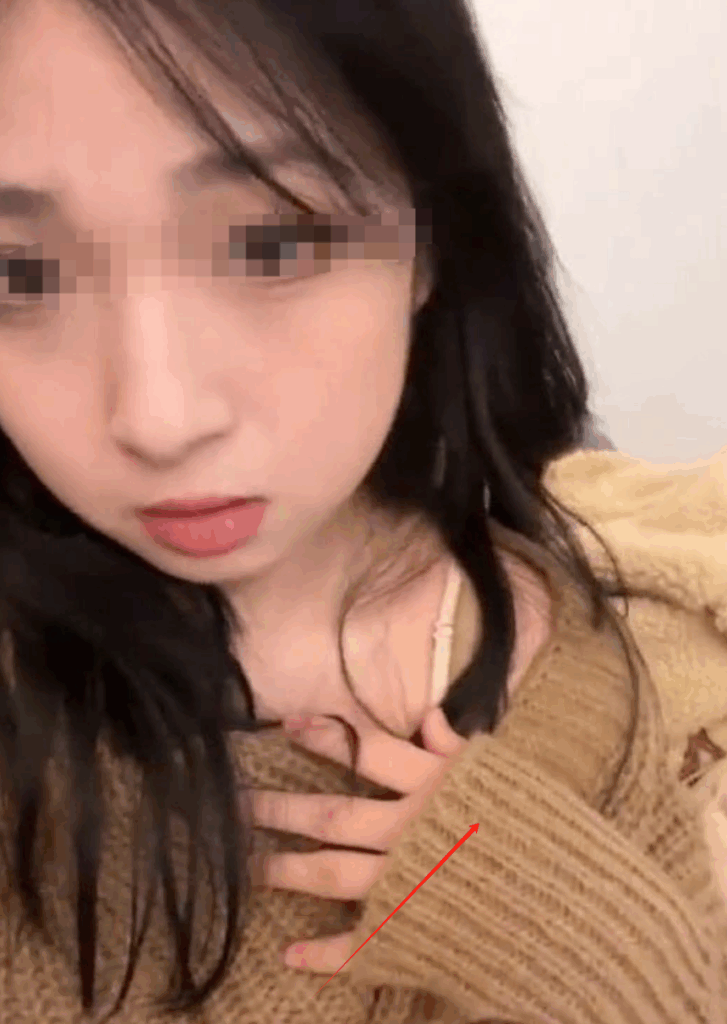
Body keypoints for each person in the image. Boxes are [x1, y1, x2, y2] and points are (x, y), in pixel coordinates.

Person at [0, 1, 723, 1022]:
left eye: (266, 246)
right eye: (19, 272)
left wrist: (593, 945)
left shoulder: (586, 689)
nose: (159, 418)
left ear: (430, 241)